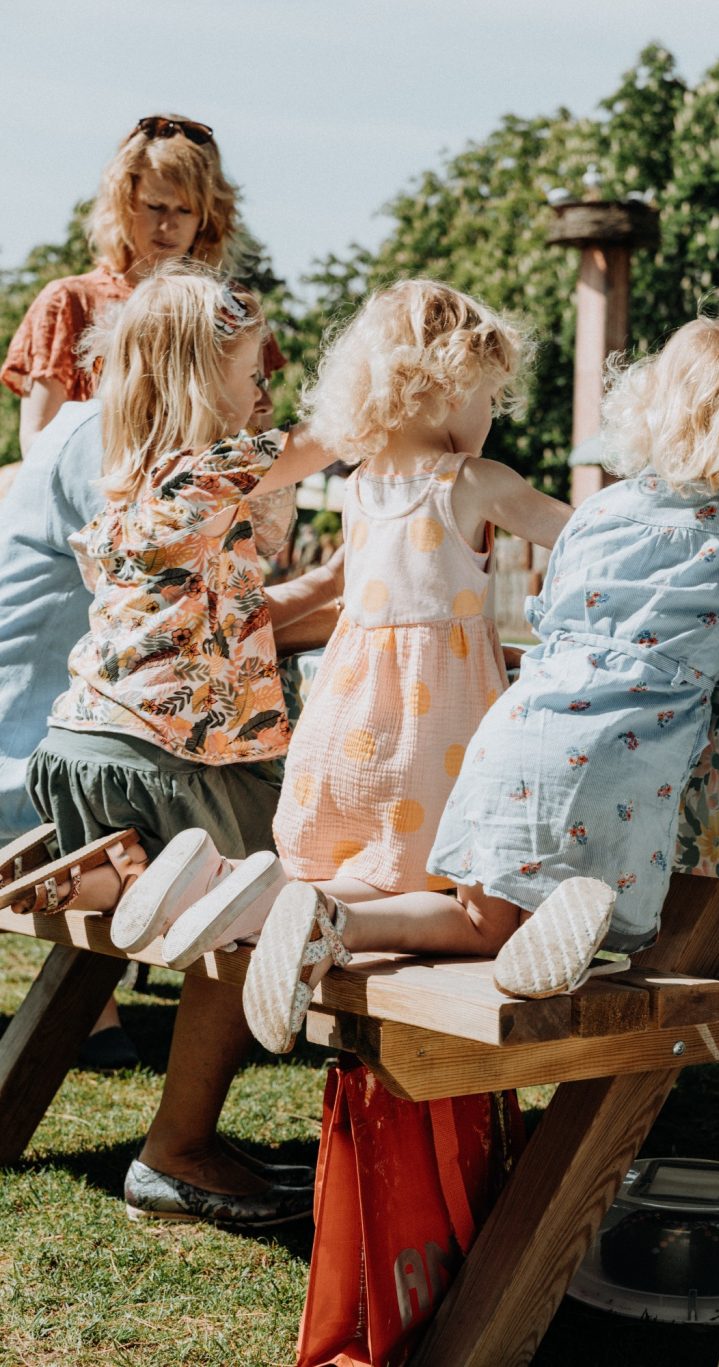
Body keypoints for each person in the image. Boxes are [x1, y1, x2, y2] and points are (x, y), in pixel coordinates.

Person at [169, 314, 719, 1040]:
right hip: (626, 753)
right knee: (590, 902)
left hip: (511, 732)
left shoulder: (602, 510)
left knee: (475, 916)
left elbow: (555, 613)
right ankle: (572, 927)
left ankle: (338, 918)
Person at [112, 278, 571, 1051]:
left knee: (365, 870)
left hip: (344, 725)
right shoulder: (473, 482)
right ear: (446, 388)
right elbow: (586, 535)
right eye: (488, 396)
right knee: (483, 918)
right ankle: (333, 922)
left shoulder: (358, 489)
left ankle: (219, 887)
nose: (490, 417)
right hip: (437, 736)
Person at [1, 264, 340, 1222]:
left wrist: (337, 586)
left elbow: (217, 616)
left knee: (199, 891)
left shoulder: (126, 479)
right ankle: (179, 1148)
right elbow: (338, 436)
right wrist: (402, 382)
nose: (266, 385)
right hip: (161, 756)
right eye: (250, 369)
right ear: (198, 377)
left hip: (84, 748)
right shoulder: (210, 468)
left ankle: (110, 874)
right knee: (257, 906)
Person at [2, 113, 285, 454]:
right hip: (96, 498)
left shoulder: (232, 304)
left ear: (208, 218)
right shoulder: (68, 301)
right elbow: (38, 443)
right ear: (123, 205)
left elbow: (258, 438)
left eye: (185, 211)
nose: (168, 225)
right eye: (155, 206)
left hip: (203, 501)